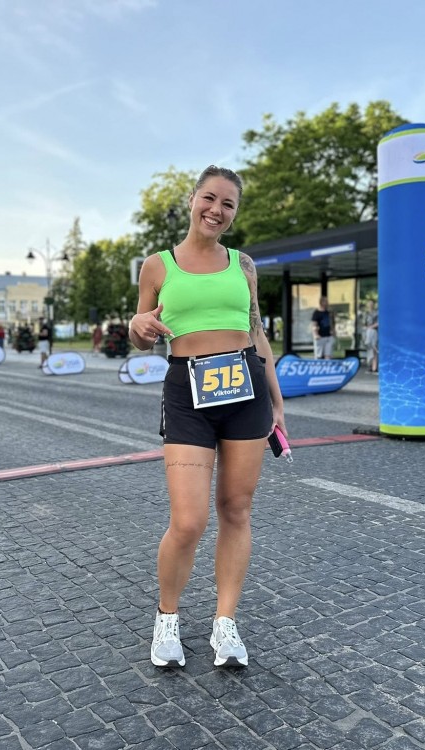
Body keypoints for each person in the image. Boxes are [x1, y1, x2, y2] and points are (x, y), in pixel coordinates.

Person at [128, 165, 286, 669]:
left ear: (234, 213)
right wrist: (136, 325)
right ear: (193, 200)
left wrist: (276, 399)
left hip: (245, 388)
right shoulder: (158, 265)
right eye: (210, 199)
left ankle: (225, 623)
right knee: (189, 519)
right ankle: (166, 618)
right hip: (187, 391)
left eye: (228, 204)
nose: (217, 210)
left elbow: (256, 331)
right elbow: (142, 332)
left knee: (236, 510)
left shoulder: (244, 265)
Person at [363, 298, 379, 373]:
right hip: (367, 332)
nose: (370, 305)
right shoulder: (366, 313)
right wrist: (366, 328)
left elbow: (378, 323)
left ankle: (374, 368)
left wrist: (370, 327)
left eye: (372, 303)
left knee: (374, 348)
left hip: (374, 332)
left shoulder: (377, 313)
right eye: (369, 303)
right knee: (369, 349)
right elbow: (364, 324)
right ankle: (370, 366)